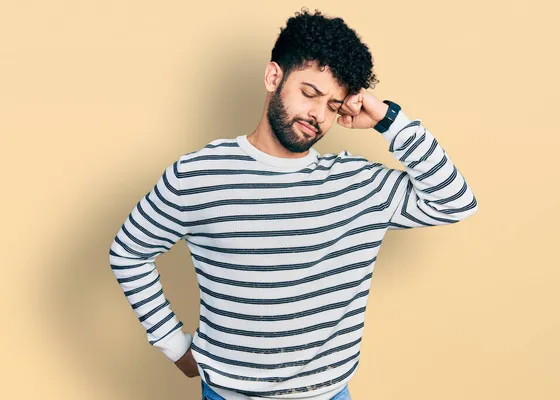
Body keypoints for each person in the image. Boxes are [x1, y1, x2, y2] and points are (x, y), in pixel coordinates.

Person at [108, 7, 478, 400]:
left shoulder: (357, 183)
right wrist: (172, 344)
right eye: (309, 93)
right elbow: (128, 252)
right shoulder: (200, 174)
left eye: (334, 106)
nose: (318, 114)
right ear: (273, 77)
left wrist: (390, 120)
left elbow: (455, 201)